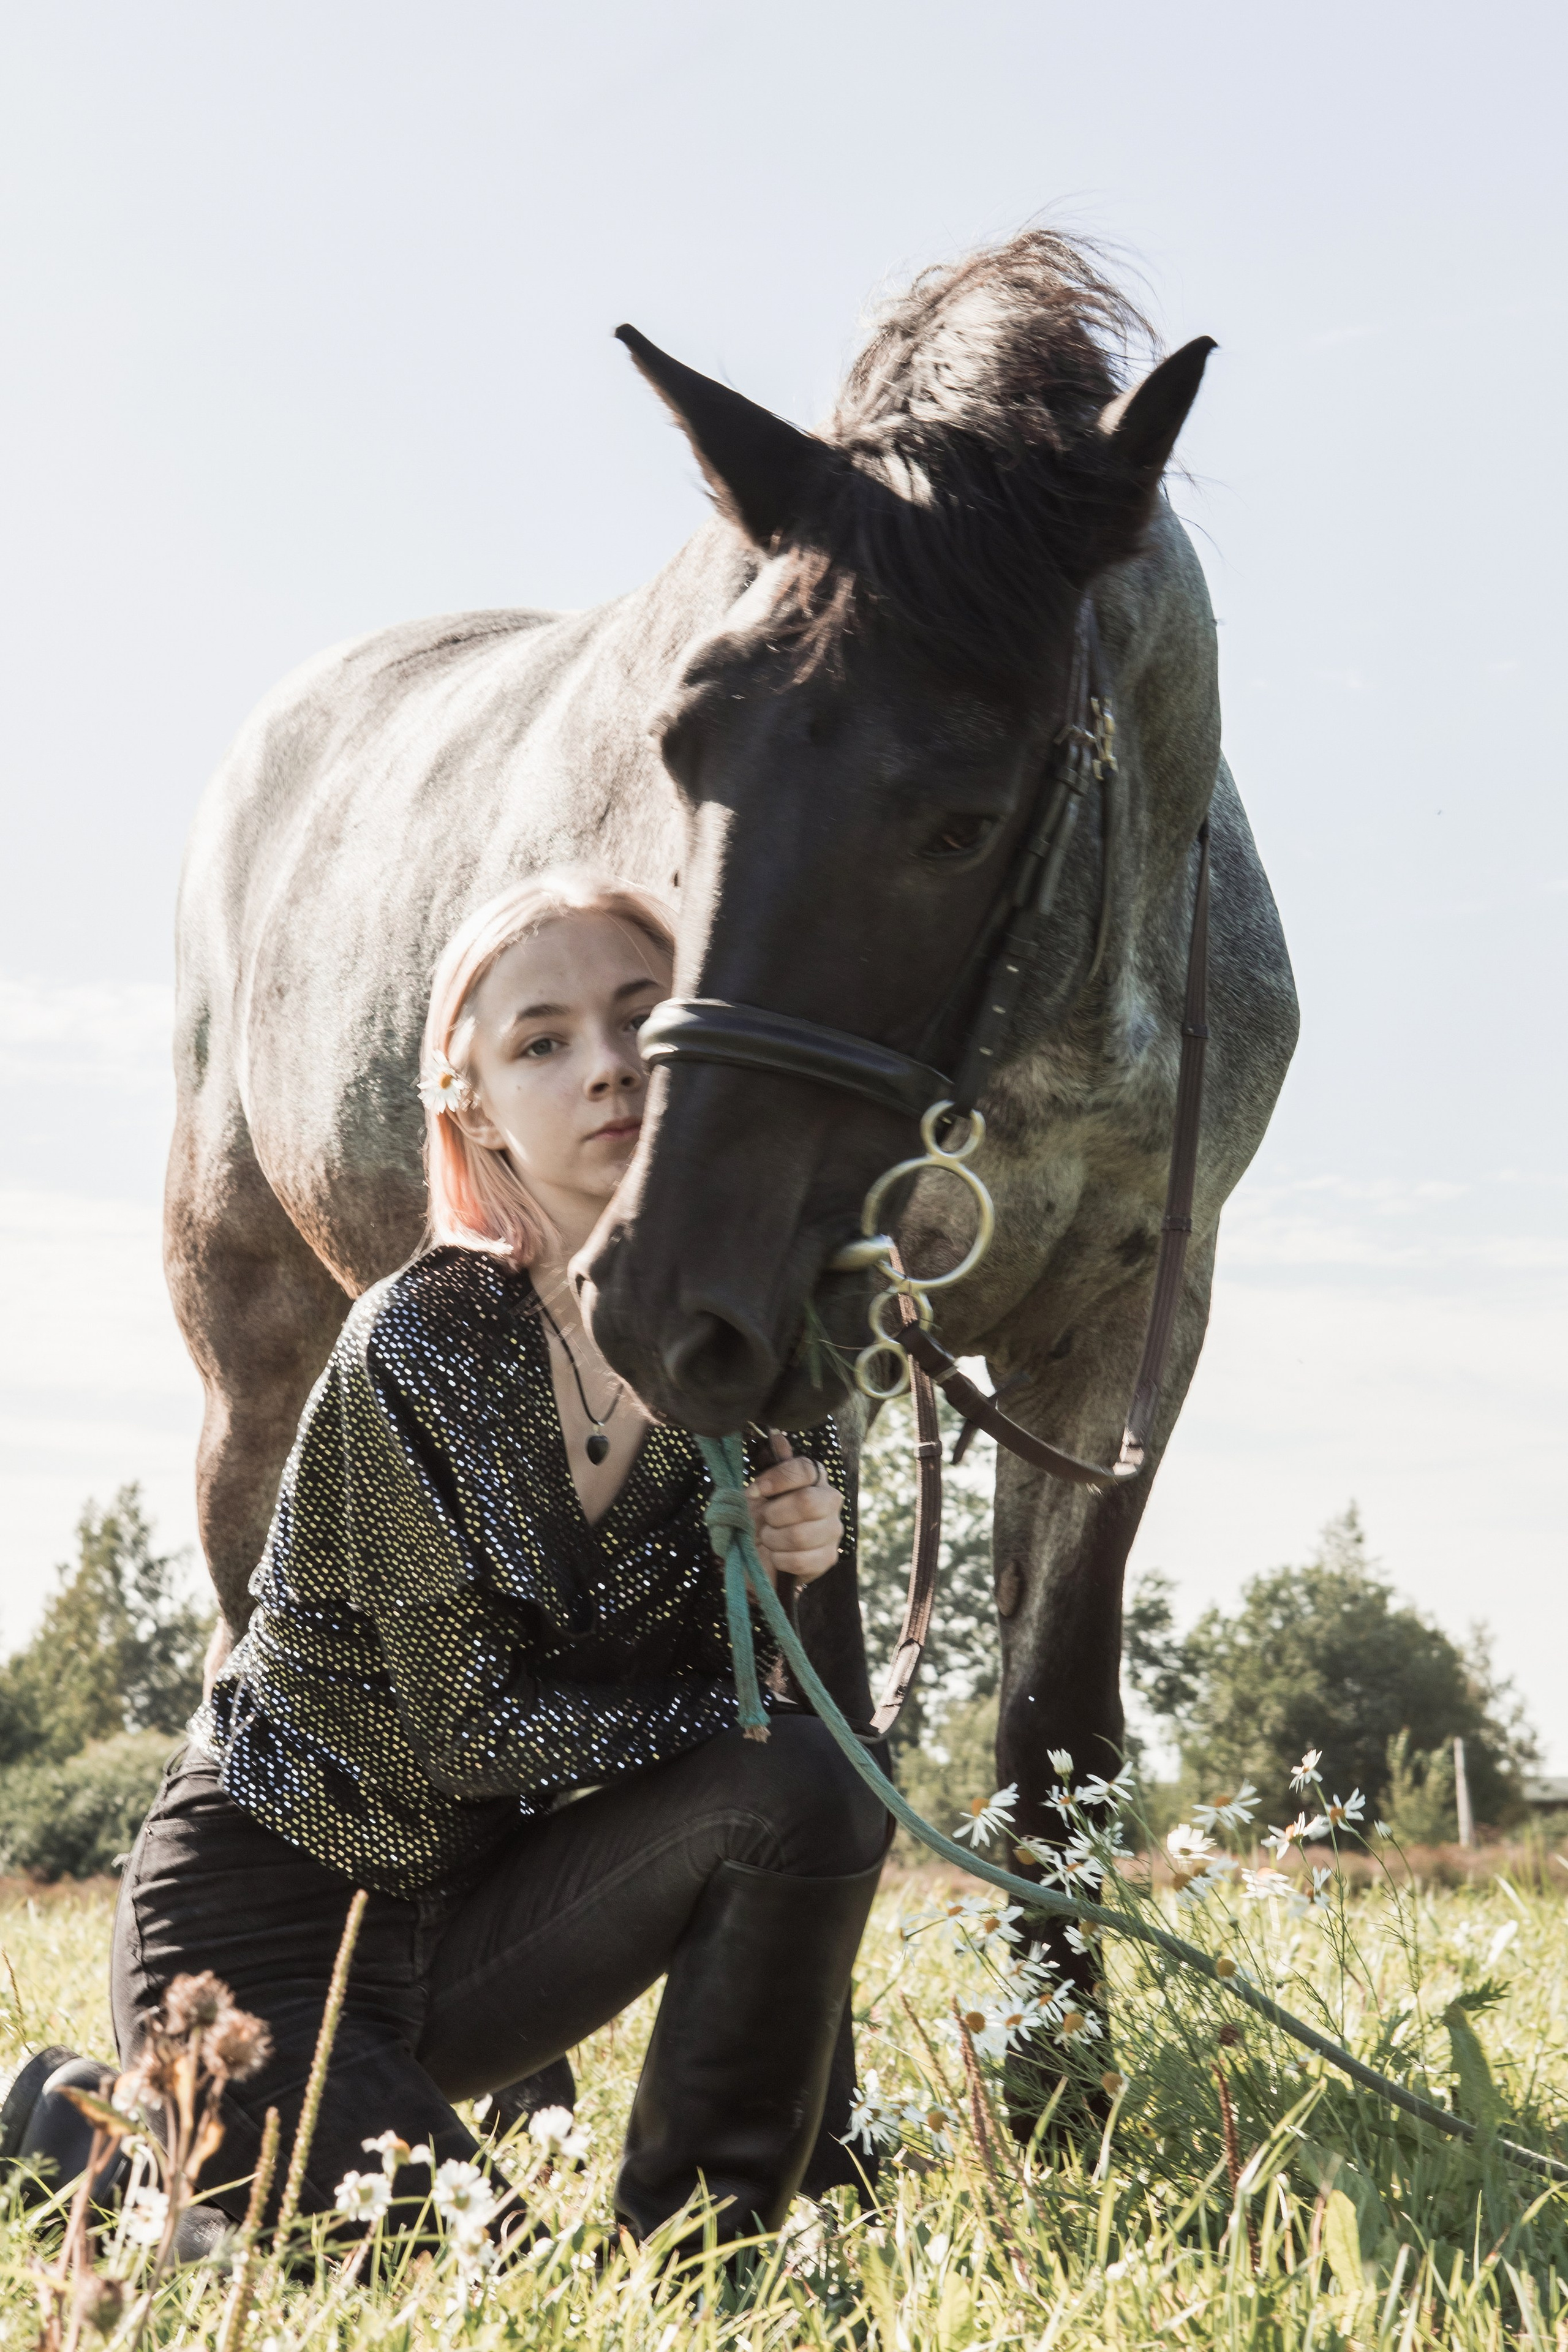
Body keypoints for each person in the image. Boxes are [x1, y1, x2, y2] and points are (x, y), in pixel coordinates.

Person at [1, 872, 888, 2250]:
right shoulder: (421, 1342)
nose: (604, 1067)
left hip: (483, 1924)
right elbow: (468, 1733)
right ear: (470, 1101)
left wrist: (787, 1580)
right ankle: (81, 2124)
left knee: (810, 1786)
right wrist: (736, 1700)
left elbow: (784, 1755)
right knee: (473, 2285)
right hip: (266, 1920)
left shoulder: (763, 1361)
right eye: (542, 1042)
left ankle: (705, 2252)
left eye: (639, 1021)